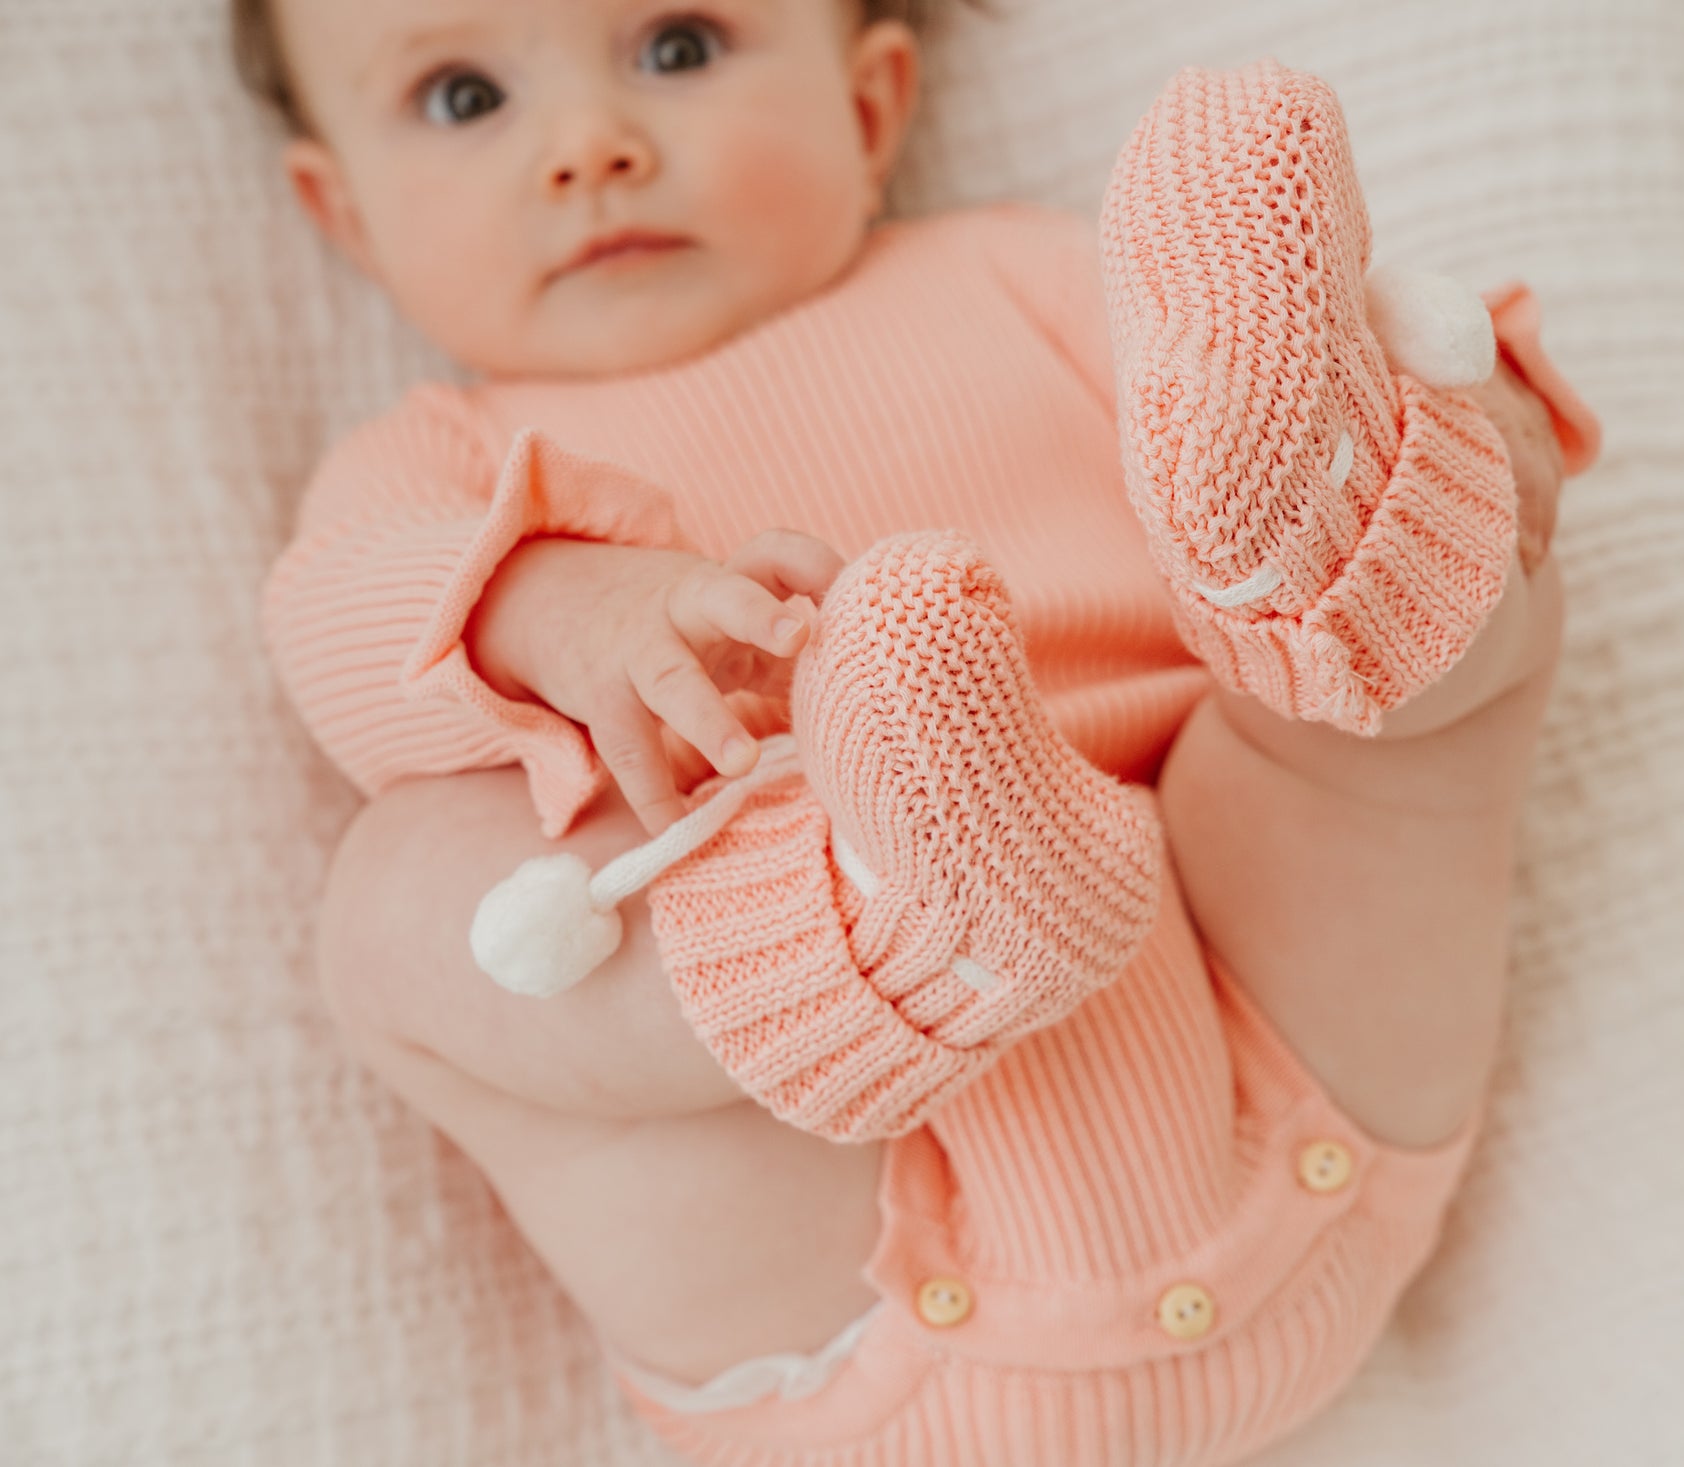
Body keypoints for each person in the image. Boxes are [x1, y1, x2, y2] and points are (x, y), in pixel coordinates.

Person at [245, 0, 1601, 1460]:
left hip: (1250, 992)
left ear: (871, 105)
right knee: (395, 902)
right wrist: (546, 608)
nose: (591, 149)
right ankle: (881, 921)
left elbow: (1247, 347)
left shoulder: (1019, 273)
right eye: (461, 98)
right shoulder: (440, 465)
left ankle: (1357, 539)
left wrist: (1467, 403)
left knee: (1373, 705)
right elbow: (335, 632)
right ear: (346, 214)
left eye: (679, 49)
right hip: (832, 1247)